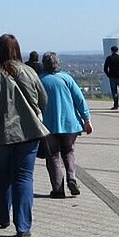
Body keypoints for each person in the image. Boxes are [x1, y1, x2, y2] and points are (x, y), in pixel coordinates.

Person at [0, 33, 49, 237]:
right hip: (29, 133)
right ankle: (23, 225)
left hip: (0, 135)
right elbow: (43, 99)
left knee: (1, 176)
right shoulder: (29, 72)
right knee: (24, 177)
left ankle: (2, 215)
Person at [38, 52, 92, 198]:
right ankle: (71, 178)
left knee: (53, 156)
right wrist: (87, 119)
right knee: (68, 152)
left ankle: (58, 189)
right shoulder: (66, 78)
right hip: (70, 124)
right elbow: (79, 99)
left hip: (48, 125)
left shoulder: (39, 81)